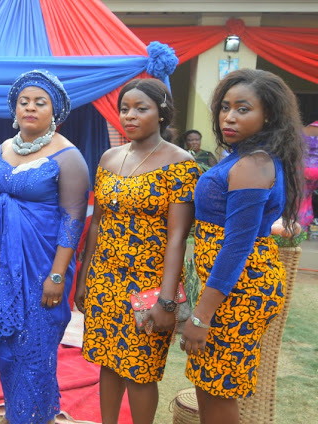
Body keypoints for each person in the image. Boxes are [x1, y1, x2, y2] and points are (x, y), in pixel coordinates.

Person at [0, 69, 89, 423]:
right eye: (24, 101)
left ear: (55, 111)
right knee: (4, 345)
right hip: (1, 263)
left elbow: (73, 219)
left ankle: (31, 416)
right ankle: (17, 413)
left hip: (42, 265)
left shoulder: (69, 157)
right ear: (15, 108)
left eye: (40, 102)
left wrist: (57, 276)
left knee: (34, 346)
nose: (30, 107)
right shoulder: (4, 147)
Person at [181, 69, 305, 424]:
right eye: (225, 107)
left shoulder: (253, 164)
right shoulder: (244, 156)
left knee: (218, 389)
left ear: (269, 115)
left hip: (240, 290)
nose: (229, 117)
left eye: (243, 109)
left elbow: (237, 247)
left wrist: (201, 316)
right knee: (209, 382)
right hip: (231, 288)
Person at [75, 78, 199, 424]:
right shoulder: (109, 157)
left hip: (148, 286)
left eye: (140, 108)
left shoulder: (181, 164)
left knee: (140, 370)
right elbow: (97, 223)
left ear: (162, 113)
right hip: (105, 280)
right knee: (108, 362)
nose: (129, 116)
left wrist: (167, 301)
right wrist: (84, 278)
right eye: (124, 109)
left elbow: (178, 238)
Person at [300, 118, 318, 228]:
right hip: (315, 171)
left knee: (302, 201)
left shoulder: (304, 128)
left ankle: (301, 229)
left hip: (302, 169)